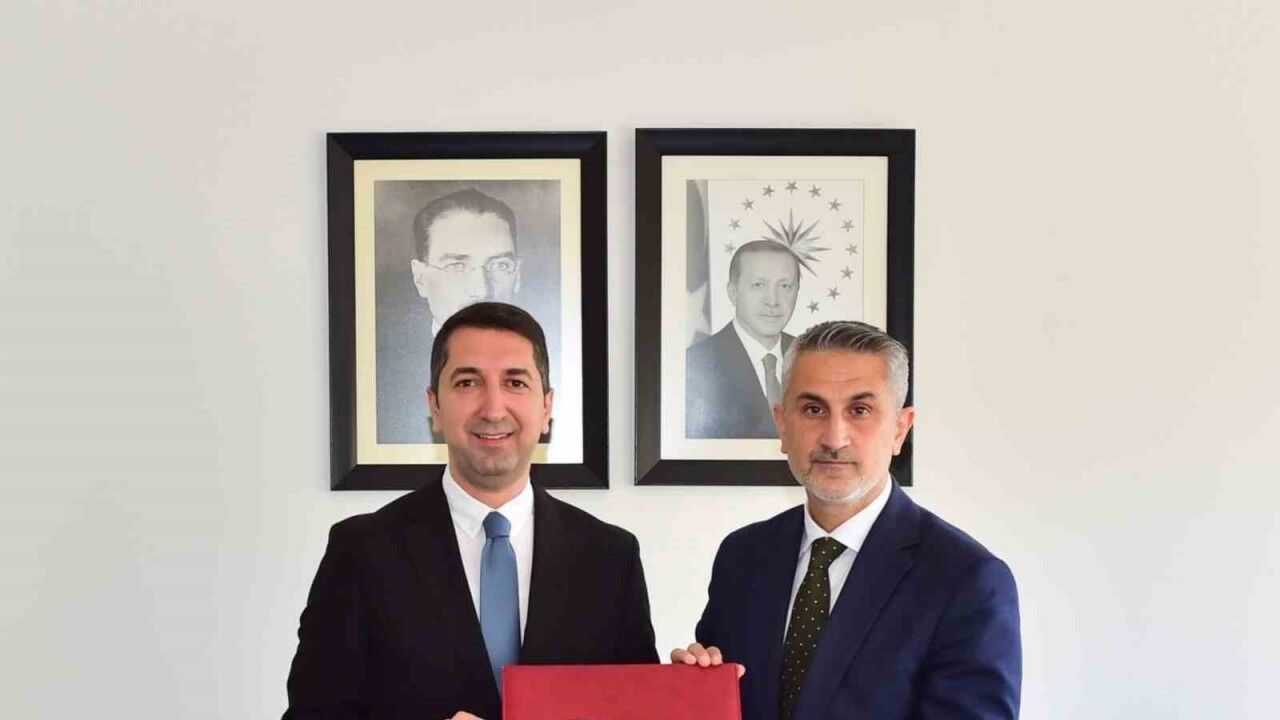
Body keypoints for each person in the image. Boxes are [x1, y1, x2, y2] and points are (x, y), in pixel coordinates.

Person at [287, 302, 658, 720]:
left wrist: (695, 681)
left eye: (515, 382)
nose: (493, 409)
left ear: (546, 407)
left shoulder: (610, 557)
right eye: (467, 383)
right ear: (435, 406)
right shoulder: (361, 551)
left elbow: (639, 711)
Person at [673, 321, 1021, 720]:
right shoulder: (743, 556)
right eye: (813, 409)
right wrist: (695, 690)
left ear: (900, 429)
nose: (834, 438)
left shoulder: (966, 579)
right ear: (782, 425)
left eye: (860, 411)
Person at [377, 188, 524, 444]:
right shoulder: (380, 383)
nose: (481, 289)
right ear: (420, 278)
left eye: (500, 265)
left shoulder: (554, 365)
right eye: (457, 266)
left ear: (517, 275)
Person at [685, 240, 801, 438]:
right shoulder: (696, 363)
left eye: (784, 286)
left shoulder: (813, 358)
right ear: (733, 292)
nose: (773, 301)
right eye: (758, 285)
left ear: (797, 292)